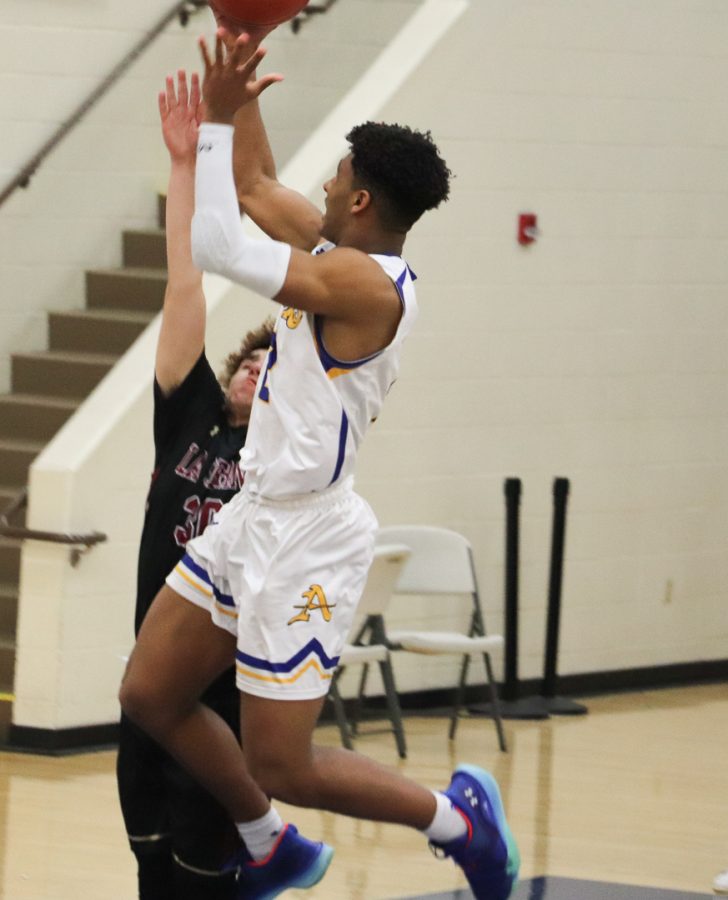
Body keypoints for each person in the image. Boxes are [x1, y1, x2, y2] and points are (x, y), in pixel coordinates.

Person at [120, 32, 520, 900]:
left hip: (309, 535)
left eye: (337, 176)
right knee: (150, 692)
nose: (324, 185)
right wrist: (242, 62)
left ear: (363, 197)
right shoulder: (340, 248)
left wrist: (222, 116)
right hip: (252, 517)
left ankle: (457, 821)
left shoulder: (365, 287)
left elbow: (222, 248)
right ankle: (268, 845)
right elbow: (256, 188)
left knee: (284, 761)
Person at [116, 67, 273, 900]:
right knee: (146, 858)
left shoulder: (289, 464)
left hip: (224, 702)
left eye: (267, 367)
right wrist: (184, 167)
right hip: (150, 675)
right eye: (248, 359)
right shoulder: (192, 419)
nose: (252, 371)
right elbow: (186, 284)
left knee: (198, 874)